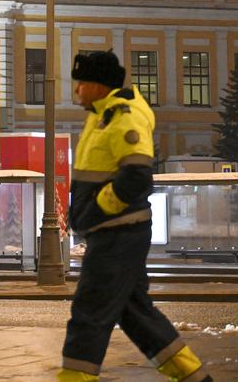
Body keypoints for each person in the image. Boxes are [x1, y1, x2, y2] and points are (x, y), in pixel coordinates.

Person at [58, 50, 211, 382]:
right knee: (135, 313)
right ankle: (193, 376)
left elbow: (137, 176)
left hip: (117, 233)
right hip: (113, 232)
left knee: (89, 312)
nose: (77, 90)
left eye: (81, 83)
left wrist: (97, 211)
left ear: (99, 85)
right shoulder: (101, 115)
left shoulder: (123, 116)